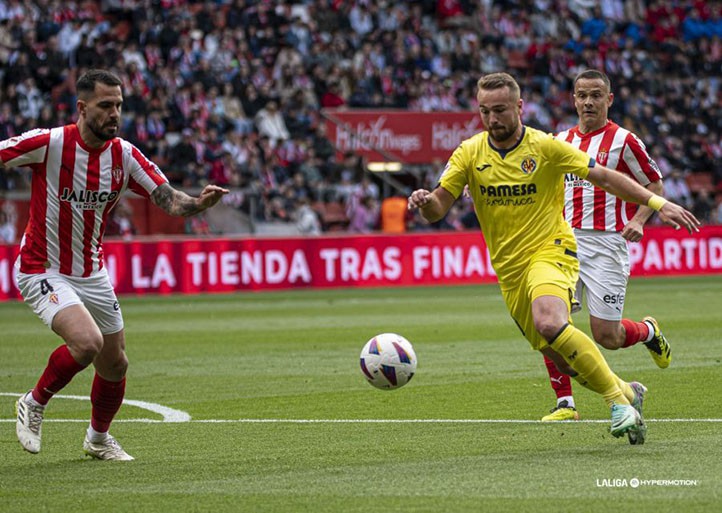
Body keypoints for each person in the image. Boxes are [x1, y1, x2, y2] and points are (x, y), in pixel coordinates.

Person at [407, 72, 699, 444]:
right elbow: (438, 209)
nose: (493, 119)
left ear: (519, 107)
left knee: (557, 323)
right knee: (562, 353)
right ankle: (627, 392)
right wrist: (424, 202)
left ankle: (613, 403)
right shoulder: (469, 153)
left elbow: (607, 178)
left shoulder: (547, 146)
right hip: (510, 269)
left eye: (500, 110)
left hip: (557, 248)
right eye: (485, 111)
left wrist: (656, 205)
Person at [1, 69, 228, 461]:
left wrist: (197, 203)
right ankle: (34, 402)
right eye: (106, 106)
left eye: (119, 106)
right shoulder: (50, 143)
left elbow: (167, 199)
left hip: (92, 272)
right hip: (42, 267)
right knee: (87, 343)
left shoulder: (124, 155)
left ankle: (98, 439)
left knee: (115, 362)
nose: (114, 114)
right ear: (82, 108)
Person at [541, 69, 671, 422]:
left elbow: (655, 187)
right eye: (582, 95)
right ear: (573, 100)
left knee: (607, 336)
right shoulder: (560, 140)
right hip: (562, 244)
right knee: (550, 321)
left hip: (606, 244)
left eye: (596, 95)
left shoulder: (624, 142)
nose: (588, 101)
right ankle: (565, 403)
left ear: (609, 99)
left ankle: (648, 331)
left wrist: (639, 220)